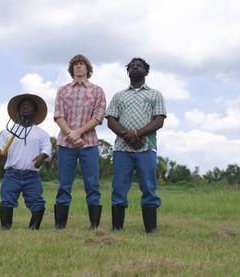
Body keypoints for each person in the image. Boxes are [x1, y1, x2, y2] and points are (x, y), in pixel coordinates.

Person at [105, 57, 166, 234]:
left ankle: (151, 230)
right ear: (128, 72)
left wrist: (138, 134)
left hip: (146, 148)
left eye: (139, 66)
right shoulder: (119, 96)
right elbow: (111, 120)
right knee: (118, 187)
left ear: (146, 72)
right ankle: (117, 228)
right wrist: (127, 135)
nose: (135, 67)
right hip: (121, 150)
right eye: (132, 66)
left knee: (148, 186)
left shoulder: (155, 94)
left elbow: (159, 120)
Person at [53, 54, 106, 229]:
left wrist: (79, 133)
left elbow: (98, 116)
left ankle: (94, 226)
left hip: (89, 144)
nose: (79, 66)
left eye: (82, 64)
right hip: (65, 144)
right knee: (64, 184)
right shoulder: (63, 90)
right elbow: (58, 115)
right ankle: (60, 226)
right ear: (72, 69)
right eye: (75, 64)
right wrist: (70, 133)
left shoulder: (97, 91)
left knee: (92, 184)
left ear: (88, 69)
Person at [0, 93, 52, 230]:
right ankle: (5, 228)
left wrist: (42, 157)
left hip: (32, 176)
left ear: (35, 111)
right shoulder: (9, 132)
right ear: (18, 110)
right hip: (11, 174)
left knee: (37, 202)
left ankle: (33, 228)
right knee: (6, 200)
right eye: (23, 105)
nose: (26, 107)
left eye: (29, 105)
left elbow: (47, 149)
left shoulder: (41, 133)